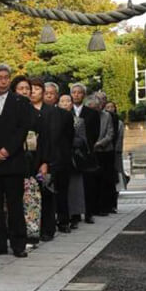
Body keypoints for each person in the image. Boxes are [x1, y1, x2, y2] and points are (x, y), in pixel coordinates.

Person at [0, 65, 30, 258]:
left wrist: (7, 150)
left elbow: (22, 129)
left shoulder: (20, 102)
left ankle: (19, 244)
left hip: (13, 161)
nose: (3, 81)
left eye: (6, 77)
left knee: (15, 204)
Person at [10, 76, 42, 245]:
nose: (24, 91)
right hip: (13, 159)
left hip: (31, 160)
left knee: (31, 198)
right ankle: (14, 234)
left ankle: (32, 233)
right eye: (21, 88)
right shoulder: (9, 110)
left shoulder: (35, 112)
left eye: (27, 88)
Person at [43, 82, 75, 234]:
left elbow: (70, 138)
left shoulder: (65, 115)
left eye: (52, 93)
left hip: (61, 158)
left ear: (57, 96)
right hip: (43, 159)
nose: (49, 95)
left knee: (62, 192)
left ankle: (64, 221)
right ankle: (47, 223)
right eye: (46, 92)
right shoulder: (36, 112)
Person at [71, 83, 100, 224]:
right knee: (74, 184)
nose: (76, 95)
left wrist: (84, 144)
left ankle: (89, 212)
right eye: (74, 92)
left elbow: (95, 133)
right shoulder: (66, 111)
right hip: (70, 152)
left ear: (84, 95)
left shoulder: (92, 113)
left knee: (89, 184)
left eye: (79, 92)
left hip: (86, 152)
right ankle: (75, 213)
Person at [59, 94, 87, 229]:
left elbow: (82, 140)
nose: (65, 103)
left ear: (72, 104)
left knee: (74, 188)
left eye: (67, 101)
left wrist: (69, 141)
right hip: (58, 156)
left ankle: (75, 214)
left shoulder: (78, 121)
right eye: (62, 101)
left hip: (73, 157)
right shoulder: (53, 118)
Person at [89, 95, 115, 217]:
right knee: (92, 182)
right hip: (91, 152)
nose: (95, 109)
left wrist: (99, 143)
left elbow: (110, 134)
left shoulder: (107, 116)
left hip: (104, 151)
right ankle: (92, 207)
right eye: (92, 107)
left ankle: (104, 207)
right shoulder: (87, 115)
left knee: (104, 180)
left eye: (97, 107)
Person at [105, 101, 128, 211]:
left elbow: (120, 138)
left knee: (117, 176)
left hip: (115, 152)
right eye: (107, 107)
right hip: (105, 151)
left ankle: (114, 203)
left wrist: (117, 150)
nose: (109, 109)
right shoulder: (103, 120)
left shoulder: (119, 123)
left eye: (111, 107)